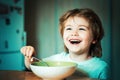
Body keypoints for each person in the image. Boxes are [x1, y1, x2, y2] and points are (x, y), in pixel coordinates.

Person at [20, 8, 109, 79]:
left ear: (94, 38)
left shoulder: (100, 67)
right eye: (69, 28)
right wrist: (29, 57)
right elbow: (33, 66)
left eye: (81, 29)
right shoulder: (57, 59)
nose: (74, 33)